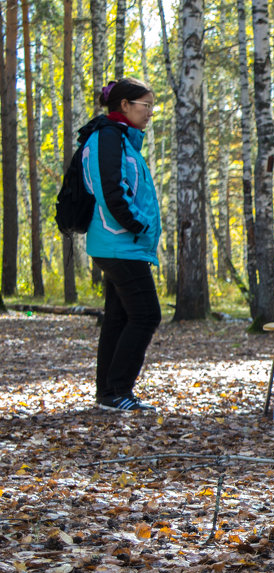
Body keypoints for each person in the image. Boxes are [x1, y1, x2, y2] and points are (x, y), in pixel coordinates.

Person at [80, 77, 163, 412]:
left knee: (118, 316)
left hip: (124, 244)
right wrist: (138, 225)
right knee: (146, 315)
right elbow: (112, 192)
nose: (150, 113)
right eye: (146, 106)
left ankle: (108, 394)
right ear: (125, 105)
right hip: (119, 244)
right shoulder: (107, 139)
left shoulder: (121, 140)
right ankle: (118, 391)